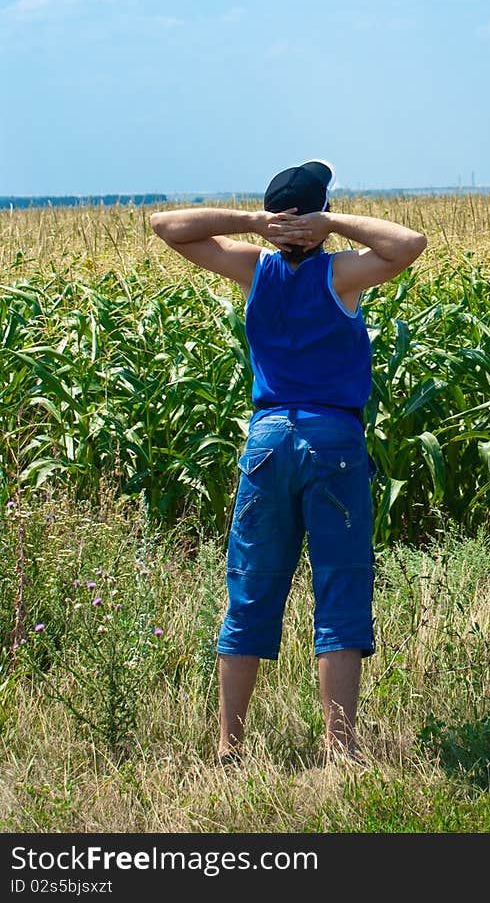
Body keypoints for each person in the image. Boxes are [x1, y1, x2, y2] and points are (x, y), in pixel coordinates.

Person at [149, 160, 427, 766]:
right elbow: (409, 244)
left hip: (267, 441)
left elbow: (166, 224)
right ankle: (340, 748)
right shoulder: (340, 276)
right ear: (317, 219)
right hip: (332, 442)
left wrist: (254, 224)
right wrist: (325, 223)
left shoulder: (254, 270)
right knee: (339, 585)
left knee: (250, 589)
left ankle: (229, 749)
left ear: (276, 220)